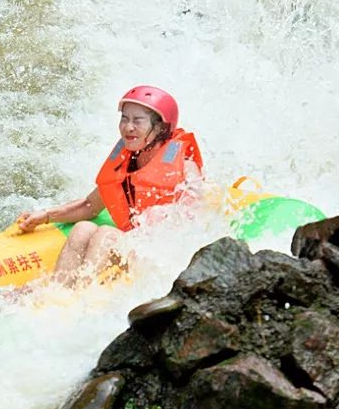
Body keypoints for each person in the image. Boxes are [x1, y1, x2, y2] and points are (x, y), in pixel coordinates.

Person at [17, 85, 203, 285]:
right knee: (82, 229)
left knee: (107, 234)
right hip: (134, 242)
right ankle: (57, 292)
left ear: (160, 128)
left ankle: (83, 296)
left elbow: (198, 218)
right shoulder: (127, 162)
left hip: (160, 253)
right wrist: (45, 216)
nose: (128, 127)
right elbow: (90, 206)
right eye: (124, 118)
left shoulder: (184, 166)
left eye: (137, 121)